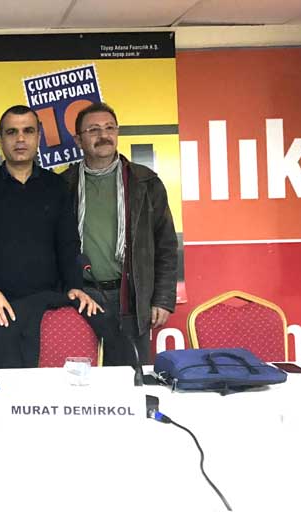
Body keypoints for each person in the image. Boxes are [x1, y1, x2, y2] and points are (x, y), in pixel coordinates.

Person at [0, 105, 110, 369]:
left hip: (48, 306)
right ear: (1, 139)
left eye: (28, 131)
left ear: (39, 137)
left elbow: (67, 243)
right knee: (2, 385)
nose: (20, 139)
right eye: (12, 132)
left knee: (49, 384)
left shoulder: (56, 186)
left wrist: (75, 285)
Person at [63, 101, 178, 365]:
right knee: (79, 380)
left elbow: (166, 245)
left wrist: (162, 299)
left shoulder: (145, 183)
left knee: (129, 378)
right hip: (82, 297)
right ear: (78, 140)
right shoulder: (63, 184)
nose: (103, 135)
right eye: (93, 130)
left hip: (130, 296)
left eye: (109, 128)